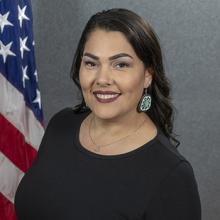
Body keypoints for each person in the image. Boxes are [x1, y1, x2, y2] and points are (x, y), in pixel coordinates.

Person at [15, 8, 201, 220]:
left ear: (147, 75)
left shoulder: (172, 175)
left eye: (121, 64)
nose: (102, 79)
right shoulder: (62, 123)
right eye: (91, 63)